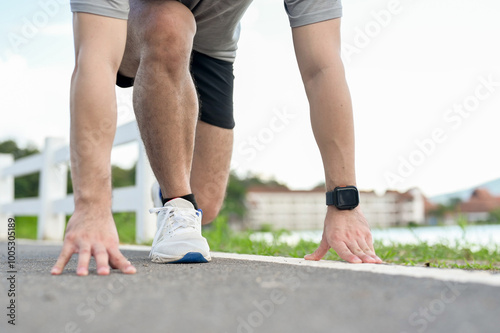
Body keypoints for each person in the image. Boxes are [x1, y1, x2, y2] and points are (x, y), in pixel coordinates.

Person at [52, 0, 382, 276]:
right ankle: (176, 200)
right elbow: (93, 60)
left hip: (214, 47)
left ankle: (173, 192)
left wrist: (344, 203)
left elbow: (321, 69)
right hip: (136, 23)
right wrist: (92, 205)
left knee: (205, 206)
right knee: (170, 22)